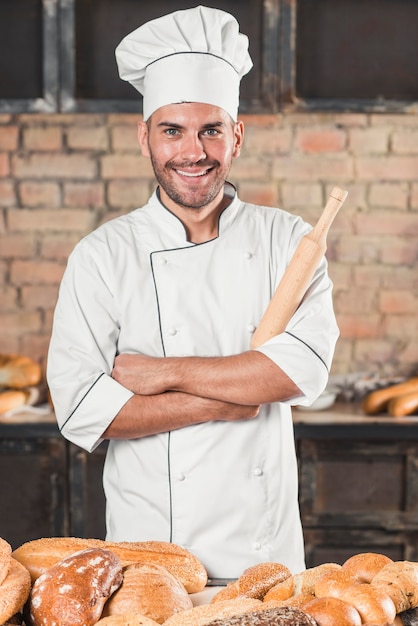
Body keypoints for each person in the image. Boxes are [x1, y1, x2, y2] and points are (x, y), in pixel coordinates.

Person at [47, 5, 339, 579]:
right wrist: (228, 397)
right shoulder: (103, 255)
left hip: (264, 562)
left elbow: (300, 372)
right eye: (172, 130)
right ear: (145, 137)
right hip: (146, 562)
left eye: (210, 130)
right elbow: (84, 409)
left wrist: (162, 373)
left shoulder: (287, 240)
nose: (193, 152)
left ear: (236, 135)